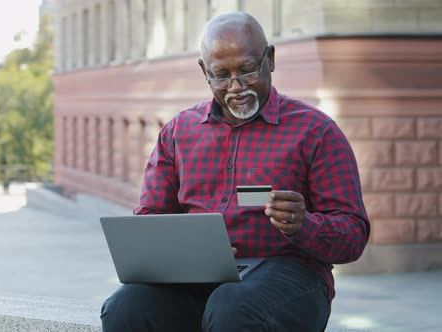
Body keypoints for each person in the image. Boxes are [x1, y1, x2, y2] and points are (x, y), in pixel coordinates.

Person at [100, 11, 370, 332]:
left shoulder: (316, 131)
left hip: (291, 275)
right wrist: (185, 252)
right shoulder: (178, 132)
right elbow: (151, 217)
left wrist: (304, 224)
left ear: (269, 59)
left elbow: (353, 235)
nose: (235, 86)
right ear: (204, 71)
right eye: (220, 74)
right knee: (124, 308)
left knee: (232, 307)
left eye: (246, 70)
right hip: (196, 278)